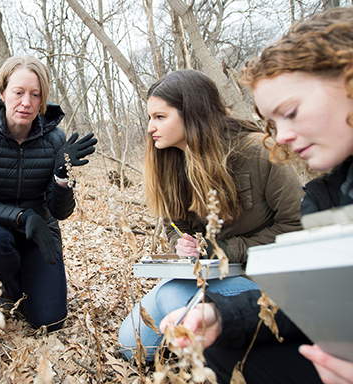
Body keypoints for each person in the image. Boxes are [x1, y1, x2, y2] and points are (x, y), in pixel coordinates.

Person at [159, 7, 353, 384]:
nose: (280, 137)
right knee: (219, 341)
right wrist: (222, 316)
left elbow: (287, 227)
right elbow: (318, 299)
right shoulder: (326, 195)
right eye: (273, 123)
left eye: (292, 112)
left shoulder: (256, 157)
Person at [117, 69, 304, 361]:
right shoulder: (171, 159)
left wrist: (225, 250)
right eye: (150, 118)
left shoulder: (258, 151)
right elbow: (174, 226)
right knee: (131, 346)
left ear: (192, 115)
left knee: (174, 298)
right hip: (202, 276)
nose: (151, 127)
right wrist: (181, 244)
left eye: (160, 117)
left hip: (258, 278)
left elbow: (298, 226)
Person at [0, 55, 97, 331]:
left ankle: (32, 277)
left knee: (50, 321)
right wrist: (22, 217)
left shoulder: (56, 139)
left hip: (40, 232)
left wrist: (61, 176)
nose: (26, 102)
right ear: (2, 93)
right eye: (18, 92)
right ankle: (10, 284)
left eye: (35, 95)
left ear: (43, 99)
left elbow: (61, 211)